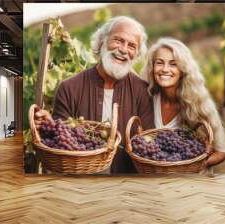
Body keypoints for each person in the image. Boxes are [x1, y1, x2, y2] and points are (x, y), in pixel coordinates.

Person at [35, 16, 155, 173]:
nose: (124, 49)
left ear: (136, 54)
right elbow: (61, 141)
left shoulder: (143, 92)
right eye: (118, 40)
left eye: (132, 46)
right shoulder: (69, 88)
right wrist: (47, 126)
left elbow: (148, 145)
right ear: (101, 42)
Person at [142, 37, 225, 171]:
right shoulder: (149, 99)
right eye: (159, 63)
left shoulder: (200, 103)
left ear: (183, 70)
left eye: (173, 64)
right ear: (152, 67)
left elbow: (221, 152)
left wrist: (195, 167)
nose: (165, 69)